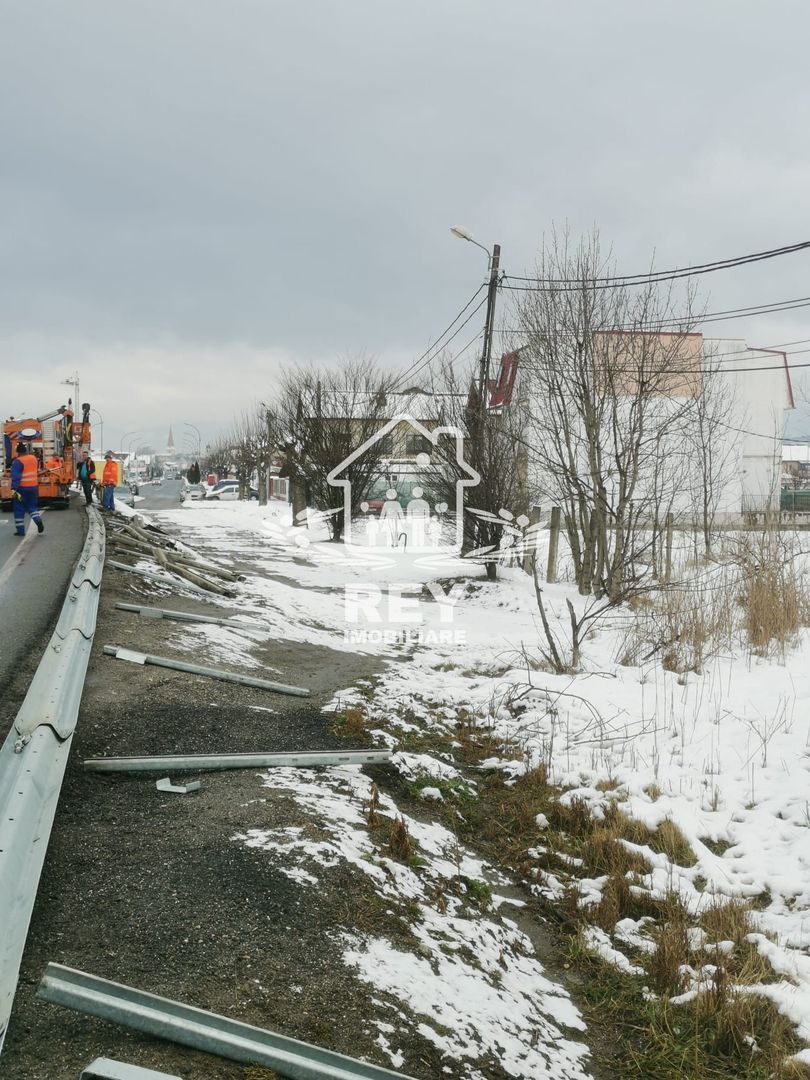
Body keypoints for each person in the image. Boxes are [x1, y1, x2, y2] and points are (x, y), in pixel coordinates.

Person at [10, 442, 44, 536]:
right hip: (33, 487)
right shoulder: (33, 458)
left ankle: (20, 531)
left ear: (18, 452)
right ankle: (38, 520)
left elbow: (16, 477)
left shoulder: (18, 461)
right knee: (32, 507)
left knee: (19, 508)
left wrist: (13, 489)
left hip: (21, 489)